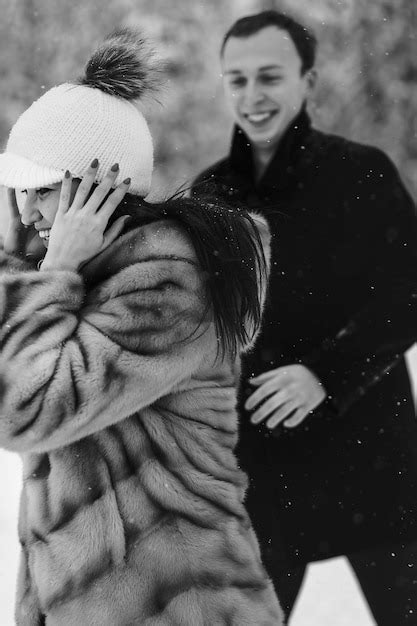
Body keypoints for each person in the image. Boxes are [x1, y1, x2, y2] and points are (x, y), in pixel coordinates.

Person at [0, 30, 284, 625]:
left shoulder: (168, 286)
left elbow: (22, 411)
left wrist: (43, 276)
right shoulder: (78, 273)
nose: (25, 212)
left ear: (98, 186)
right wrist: (23, 266)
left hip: (183, 604)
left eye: (42, 190)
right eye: (18, 190)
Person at [192, 10, 417, 625]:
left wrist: (323, 374)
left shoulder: (362, 173)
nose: (252, 96)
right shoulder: (209, 198)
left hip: (372, 456)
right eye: (236, 80)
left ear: (309, 81)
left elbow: (408, 294)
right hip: (265, 472)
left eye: (269, 76)